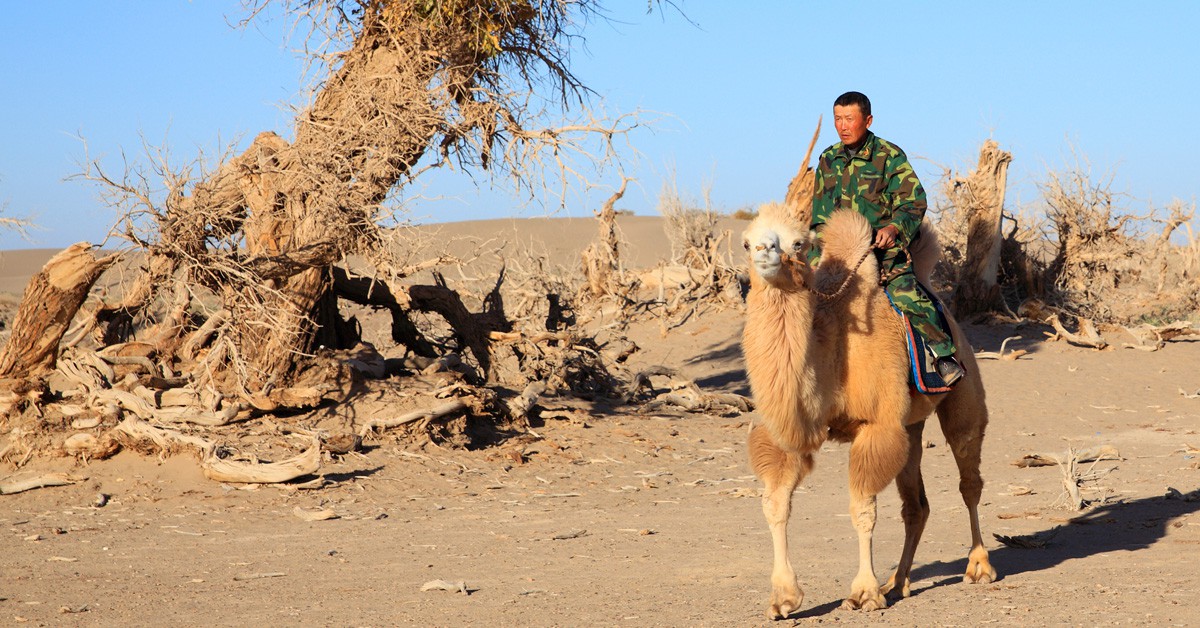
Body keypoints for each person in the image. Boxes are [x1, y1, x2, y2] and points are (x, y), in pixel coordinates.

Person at [807, 91, 965, 386]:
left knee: (908, 296)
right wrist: (815, 260)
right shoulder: (828, 159)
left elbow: (914, 202)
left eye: (849, 119)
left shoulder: (889, 156)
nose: (843, 126)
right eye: (838, 119)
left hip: (884, 256)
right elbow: (819, 219)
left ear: (867, 120)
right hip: (838, 259)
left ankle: (943, 355)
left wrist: (894, 228)